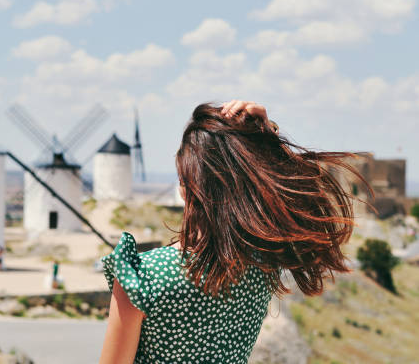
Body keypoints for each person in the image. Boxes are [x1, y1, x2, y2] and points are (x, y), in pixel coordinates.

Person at [98, 100, 370, 363]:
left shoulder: (143, 276)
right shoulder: (262, 264)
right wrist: (266, 135)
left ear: (185, 184)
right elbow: (283, 204)